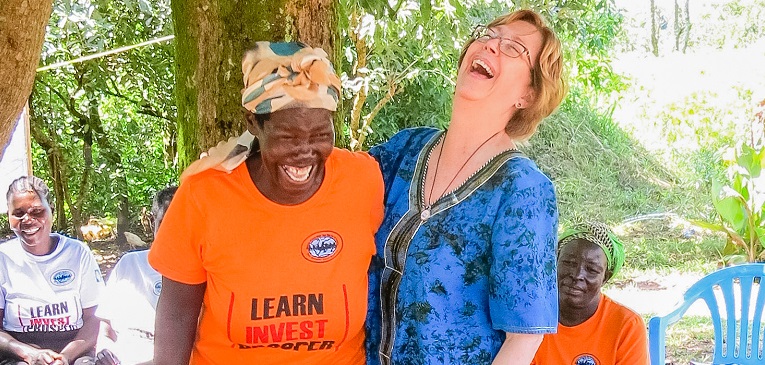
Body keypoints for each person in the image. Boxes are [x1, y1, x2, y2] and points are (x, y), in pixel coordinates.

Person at [148, 41, 384, 365]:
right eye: (288, 137)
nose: (305, 151)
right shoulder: (203, 196)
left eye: (319, 135)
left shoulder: (363, 181)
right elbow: (176, 313)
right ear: (254, 123)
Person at [365, 9, 567, 365]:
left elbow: (524, 340)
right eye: (488, 34)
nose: (491, 45)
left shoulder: (522, 191)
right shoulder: (405, 150)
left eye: (514, 48)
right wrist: (249, 148)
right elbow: (326, 180)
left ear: (529, 94)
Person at [0, 176, 104, 365]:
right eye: (19, 213)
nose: (28, 220)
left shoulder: (78, 253)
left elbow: (95, 319)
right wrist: (27, 354)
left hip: (74, 350)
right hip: (18, 354)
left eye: (37, 212)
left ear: (52, 212)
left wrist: (64, 357)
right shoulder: (2, 258)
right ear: (9, 216)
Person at [531, 222, 648, 365]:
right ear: (555, 262)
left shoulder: (626, 325)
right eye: (568, 263)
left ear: (605, 277)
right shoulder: (531, 316)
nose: (577, 275)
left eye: (592, 270)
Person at [94, 186, 178, 365]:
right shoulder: (129, 265)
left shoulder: (205, 275)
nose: (172, 232)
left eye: (180, 223)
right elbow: (105, 329)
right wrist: (104, 349)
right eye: (165, 223)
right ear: (152, 222)